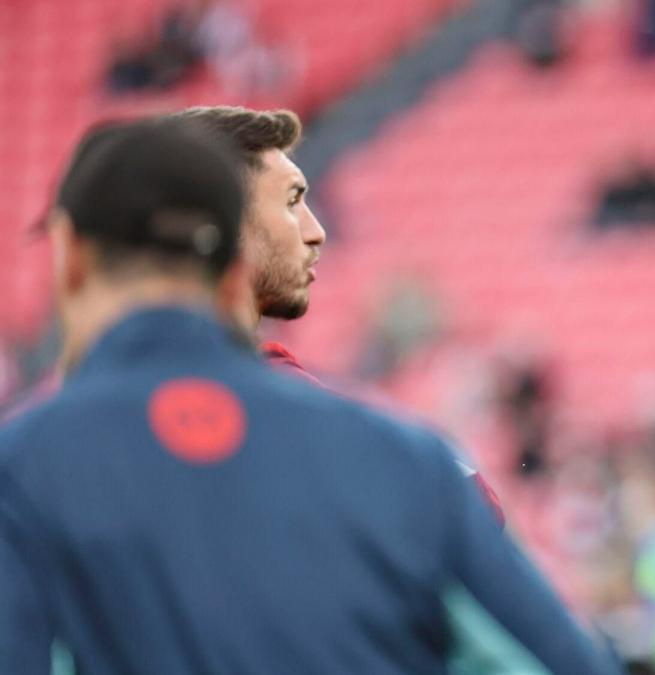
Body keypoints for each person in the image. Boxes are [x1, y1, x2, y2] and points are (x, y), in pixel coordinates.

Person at [0, 118, 622, 674]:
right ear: (233, 253)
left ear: (71, 255)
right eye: (294, 201)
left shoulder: (23, 471)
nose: (317, 232)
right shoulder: (405, 461)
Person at [168, 106, 504, 522]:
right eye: (291, 203)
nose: (315, 231)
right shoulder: (277, 399)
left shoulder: (82, 411)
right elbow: (471, 505)